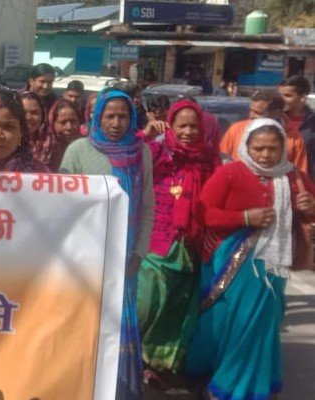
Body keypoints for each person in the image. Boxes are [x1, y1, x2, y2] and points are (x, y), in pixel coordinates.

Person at [186, 118, 315, 400]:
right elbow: (204, 213)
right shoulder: (231, 173)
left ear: (283, 148)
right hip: (233, 260)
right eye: (259, 148)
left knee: (261, 324)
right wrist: (244, 218)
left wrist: (310, 208)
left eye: (273, 148)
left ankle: (244, 386)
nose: (266, 155)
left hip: (273, 265)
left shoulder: (293, 177)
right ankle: (222, 379)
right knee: (232, 321)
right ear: (247, 146)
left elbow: (309, 214)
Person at [60, 89, 155, 400]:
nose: (116, 123)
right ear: (97, 117)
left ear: (132, 118)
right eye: (109, 116)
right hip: (85, 259)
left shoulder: (141, 153)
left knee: (119, 324)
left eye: (122, 116)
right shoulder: (77, 150)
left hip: (125, 260)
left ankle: (119, 390)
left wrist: (139, 252)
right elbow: (63, 206)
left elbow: (147, 206)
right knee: (85, 324)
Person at [136, 100, 220, 387]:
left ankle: (158, 365)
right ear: (170, 125)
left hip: (192, 246)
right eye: (181, 125)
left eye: (194, 126)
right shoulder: (157, 153)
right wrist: (145, 135)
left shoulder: (209, 160)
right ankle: (133, 356)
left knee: (176, 308)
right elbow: (129, 159)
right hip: (157, 242)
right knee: (148, 303)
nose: (188, 131)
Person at [220, 90, 308, 175]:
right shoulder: (236, 129)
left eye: (258, 113)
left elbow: (299, 174)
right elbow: (222, 162)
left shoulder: (295, 138)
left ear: (276, 113)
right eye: (251, 110)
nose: (251, 115)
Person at [279, 76, 315, 179]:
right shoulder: (273, 119)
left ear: (302, 97)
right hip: (276, 179)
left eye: (287, 95)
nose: (281, 99)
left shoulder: (312, 123)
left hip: (305, 180)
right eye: (280, 95)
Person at [45, 99, 83, 172]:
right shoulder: (44, 150)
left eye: (73, 121)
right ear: (52, 124)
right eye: (63, 122)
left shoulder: (86, 148)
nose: (69, 127)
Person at [21, 91, 52, 167]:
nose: (28, 118)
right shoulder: (5, 142)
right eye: (23, 113)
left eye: (34, 113)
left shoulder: (52, 144)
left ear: (43, 116)